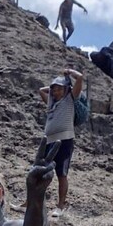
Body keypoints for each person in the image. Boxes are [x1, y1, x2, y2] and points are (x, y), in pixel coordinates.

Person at [38, 68, 83, 217]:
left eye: (59, 90)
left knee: (61, 174)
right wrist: (54, 86)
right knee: (39, 172)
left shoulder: (70, 99)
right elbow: (41, 90)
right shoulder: (51, 103)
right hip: (48, 141)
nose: (56, 92)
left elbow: (80, 78)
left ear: (66, 90)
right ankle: (31, 203)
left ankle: (60, 206)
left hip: (64, 140)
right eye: (54, 90)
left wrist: (69, 73)